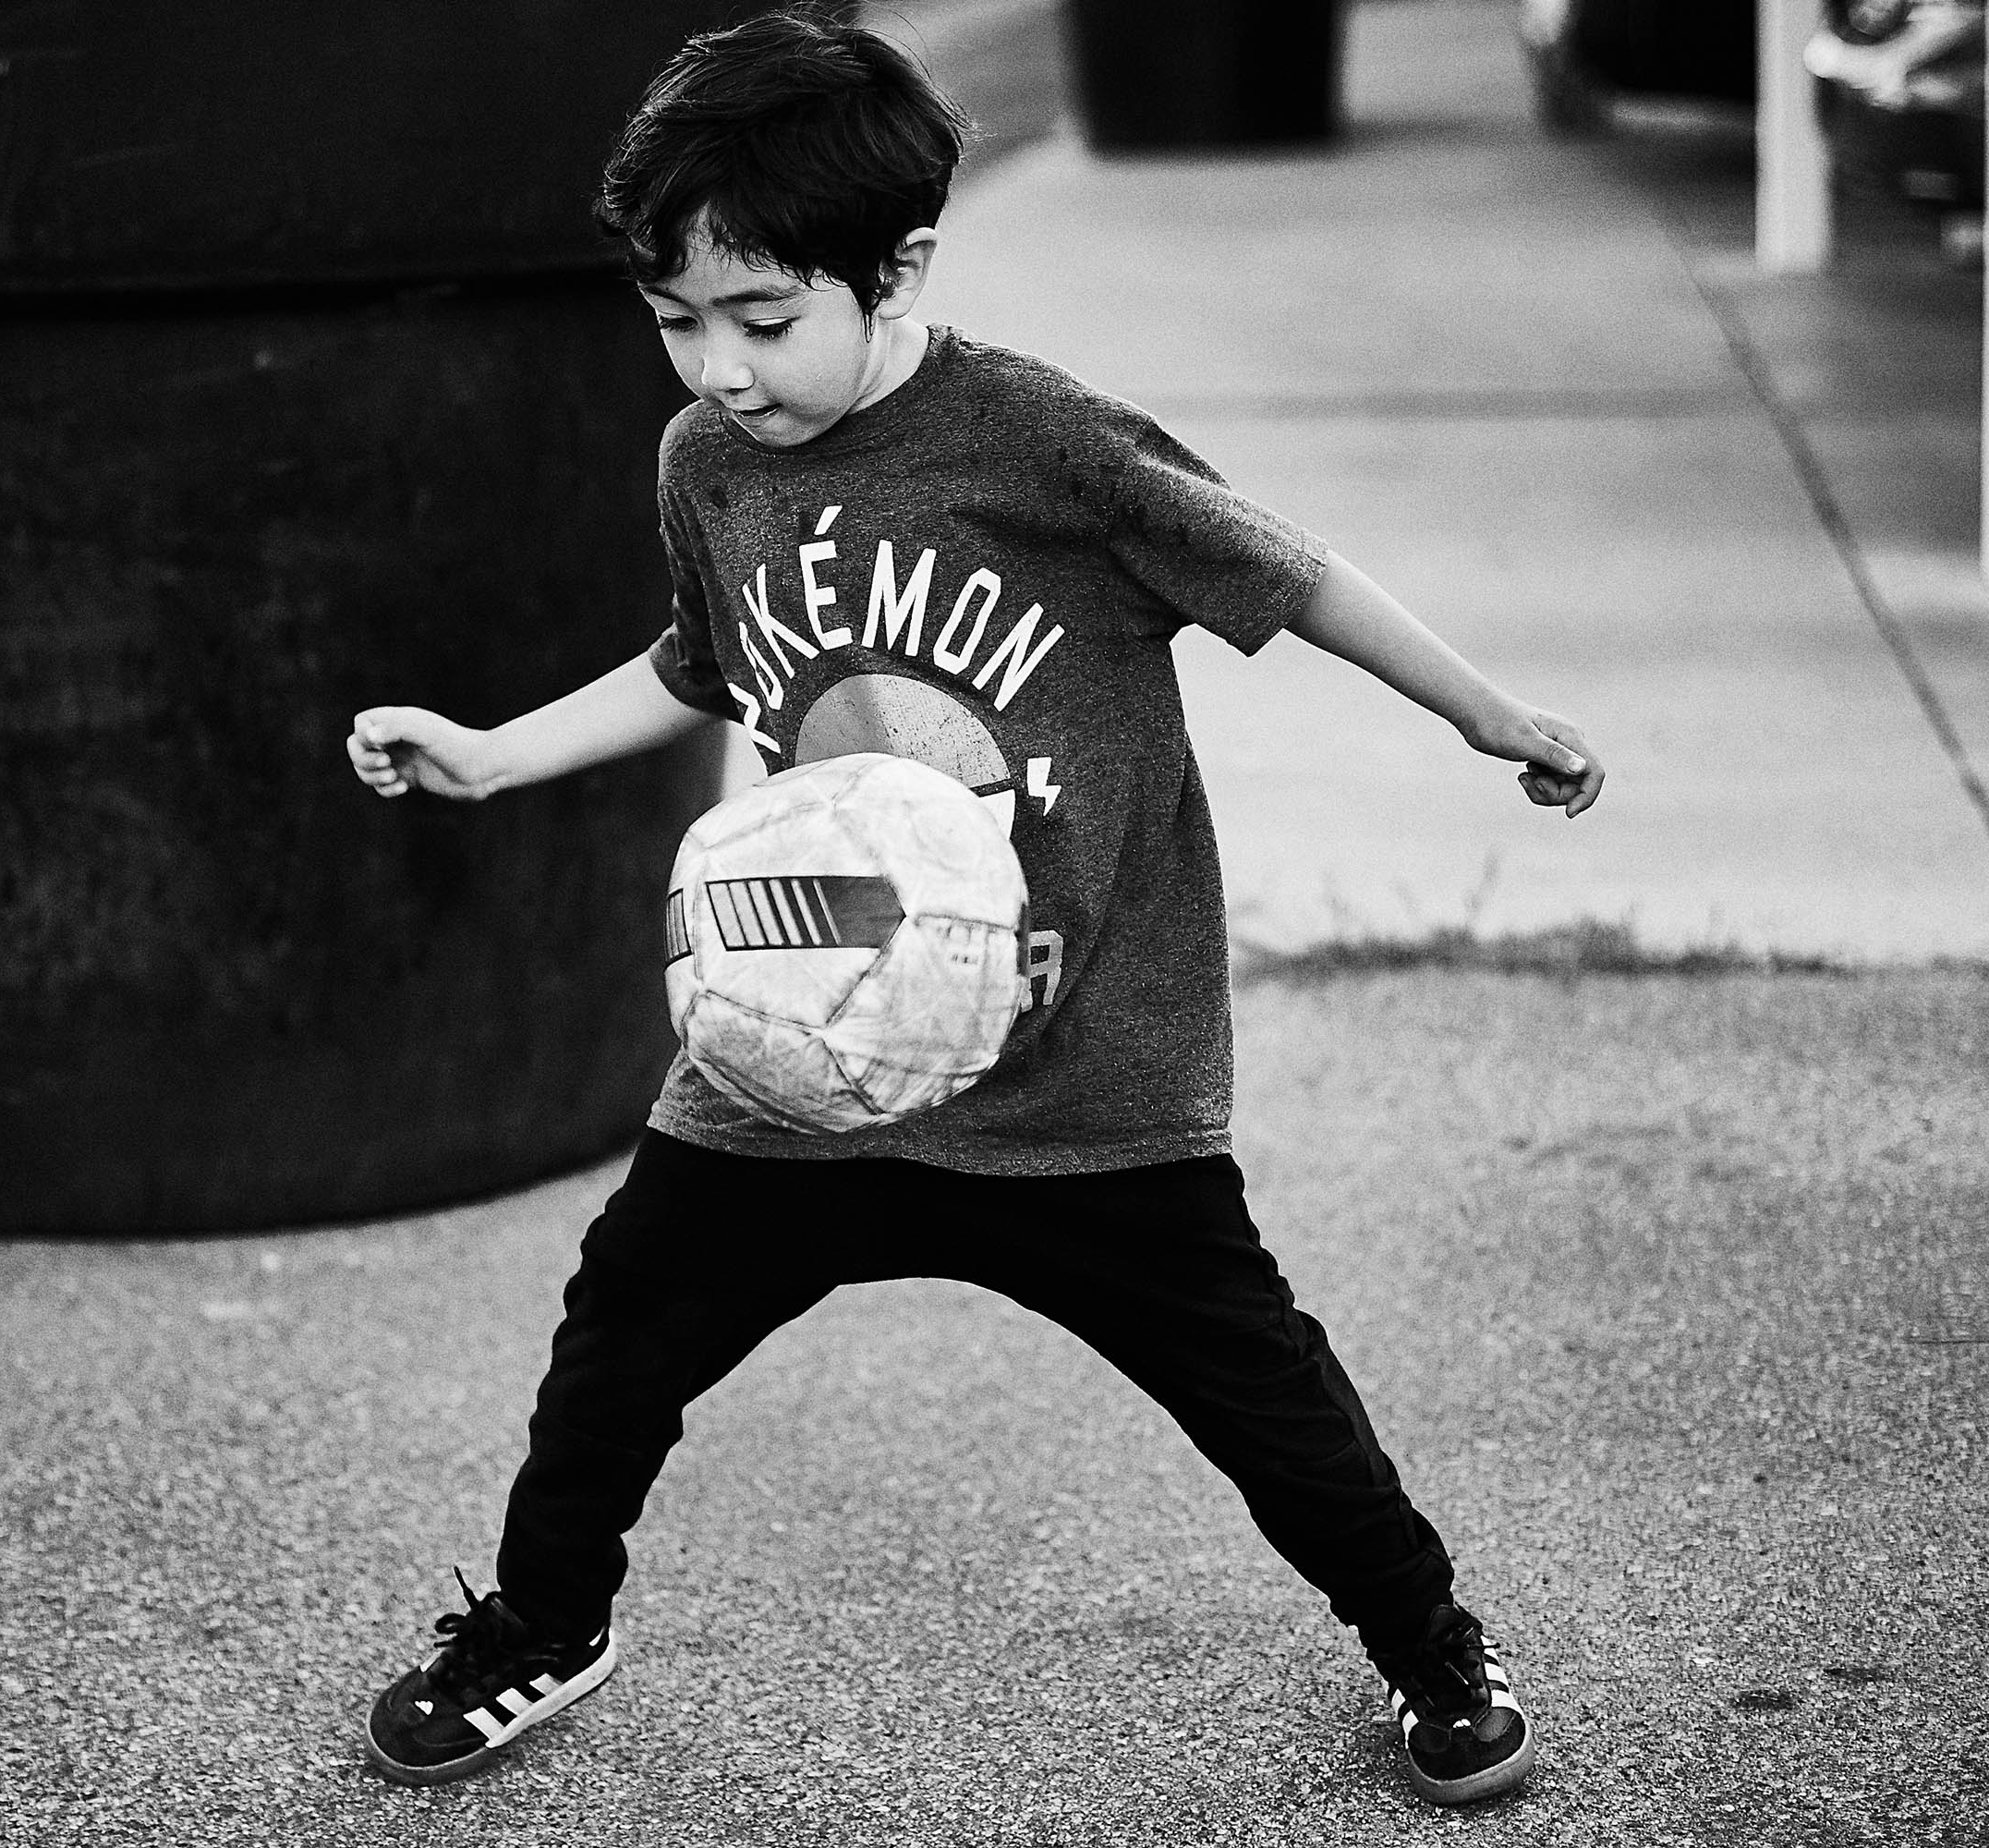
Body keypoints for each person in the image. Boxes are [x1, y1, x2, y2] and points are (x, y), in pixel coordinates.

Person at [343, 8, 1602, 1808]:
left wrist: (1488, 715)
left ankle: (1430, 1643)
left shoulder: (1043, 444)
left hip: (1078, 1079)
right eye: (676, 319)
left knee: (1262, 1394)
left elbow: (1292, 575)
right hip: (800, 1054)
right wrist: (495, 753)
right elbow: (699, 660)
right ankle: (543, 1620)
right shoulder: (708, 463)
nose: (719, 366)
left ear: (902, 266)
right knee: (620, 1327)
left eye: (763, 317)